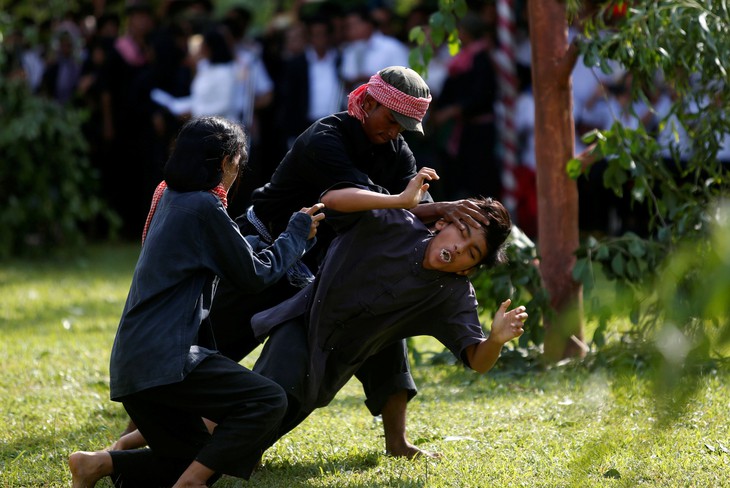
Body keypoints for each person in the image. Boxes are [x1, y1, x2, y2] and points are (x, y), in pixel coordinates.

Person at [201, 65, 494, 460]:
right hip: (266, 250)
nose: (394, 132)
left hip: (321, 269)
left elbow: (411, 216)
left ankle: (397, 441)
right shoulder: (326, 138)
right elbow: (346, 196)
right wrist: (419, 204)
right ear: (368, 102)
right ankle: (150, 426)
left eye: (403, 128)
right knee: (212, 344)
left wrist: (442, 215)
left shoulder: (396, 152)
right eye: (391, 120)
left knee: (384, 327)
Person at [68, 116, 325, 488]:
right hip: (166, 359)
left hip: (133, 363)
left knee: (197, 458)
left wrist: (288, 242)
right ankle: (189, 485)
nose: (238, 173)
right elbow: (255, 276)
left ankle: (95, 465)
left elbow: (233, 258)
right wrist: (295, 234)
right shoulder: (205, 207)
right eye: (238, 164)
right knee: (269, 399)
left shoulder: (168, 196)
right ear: (224, 163)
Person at [249, 167, 528, 448]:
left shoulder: (452, 294)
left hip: (335, 363)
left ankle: (398, 444)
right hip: (302, 320)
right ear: (443, 223)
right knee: (260, 402)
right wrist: (399, 200)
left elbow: (477, 360)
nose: (458, 248)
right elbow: (331, 200)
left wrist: (495, 340)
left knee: (262, 429)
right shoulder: (393, 221)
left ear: (468, 270)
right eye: (462, 234)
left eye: (471, 252)